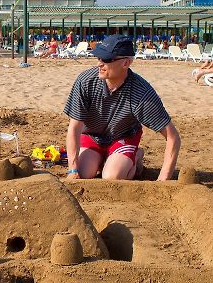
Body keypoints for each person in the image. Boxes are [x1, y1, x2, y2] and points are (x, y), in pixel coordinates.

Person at [64, 34, 181, 181]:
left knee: (112, 177)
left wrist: (163, 178)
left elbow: (172, 136)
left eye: (106, 59)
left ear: (126, 63)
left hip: (123, 137)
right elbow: (74, 128)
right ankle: (104, 159)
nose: (100, 63)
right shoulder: (85, 81)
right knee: (83, 173)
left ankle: (136, 155)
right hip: (91, 136)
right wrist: (73, 169)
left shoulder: (141, 92)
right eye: (99, 58)